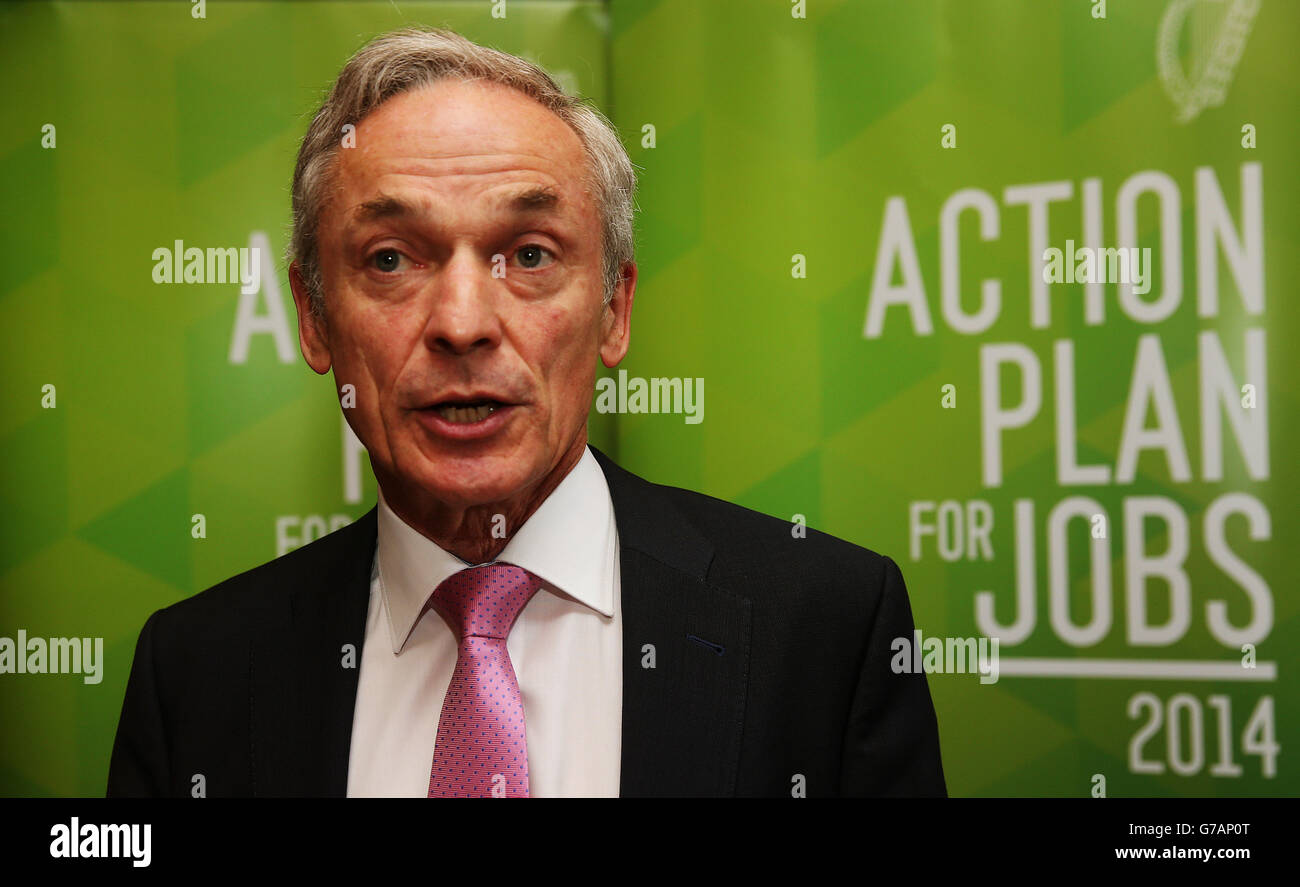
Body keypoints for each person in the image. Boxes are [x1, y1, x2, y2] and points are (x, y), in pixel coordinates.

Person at [107, 26, 945, 798]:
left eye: (531, 254)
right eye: (392, 258)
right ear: (315, 317)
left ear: (615, 310)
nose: (463, 323)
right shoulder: (195, 673)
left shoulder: (827, 631)